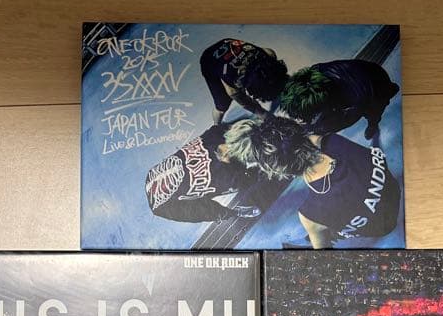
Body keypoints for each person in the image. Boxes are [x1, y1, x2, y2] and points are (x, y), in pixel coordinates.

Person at [222, 115, 402, 248]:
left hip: (383, 226)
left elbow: (324, 256)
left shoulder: (310, 214)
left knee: (317, 234)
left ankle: (325, 234)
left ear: (277, 169)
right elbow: (314, 139)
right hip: (392, 190)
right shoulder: (333, 140)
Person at [144, 121, 283, 223]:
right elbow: (248, 179)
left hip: (155, 176)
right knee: (206, 211)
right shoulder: (228, 178)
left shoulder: (215, 133)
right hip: (164, 206)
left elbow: (228, 129)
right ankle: (233, 213)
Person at [277, 59, 399, 140]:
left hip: (375, 89)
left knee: (374, 113)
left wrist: (312, 129)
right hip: (367, 71)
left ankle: (373, 123)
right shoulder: (314, 72)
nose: (299, 120)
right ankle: (391, 89)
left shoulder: (357, 99)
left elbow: (340, 123)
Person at [200, 38, 288, 124]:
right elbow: (243, 100)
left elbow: (270, 54)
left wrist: (264, 114)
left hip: (227, 46)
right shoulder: (233, 84)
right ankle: (216, 124)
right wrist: (262, 114)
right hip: (209, 60)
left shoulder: (267, 55)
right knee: (222, 104)